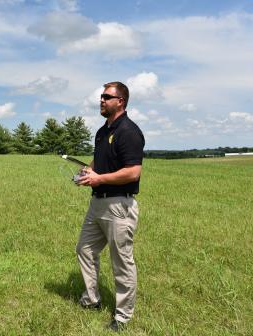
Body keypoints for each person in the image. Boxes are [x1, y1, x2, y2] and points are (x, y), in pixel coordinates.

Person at [76, 81, 145, 332]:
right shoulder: (102, 131)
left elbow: (133, 172)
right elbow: (100, 161)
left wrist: (99, 178)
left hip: (119, 205)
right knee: (84, 249)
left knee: (121, 262)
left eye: (107, 97)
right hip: (97, 203)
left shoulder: (129, 131)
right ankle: (92, 300)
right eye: (101, 96)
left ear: (121, 102)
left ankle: (123, 316)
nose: (101, 100)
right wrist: (89, 172)